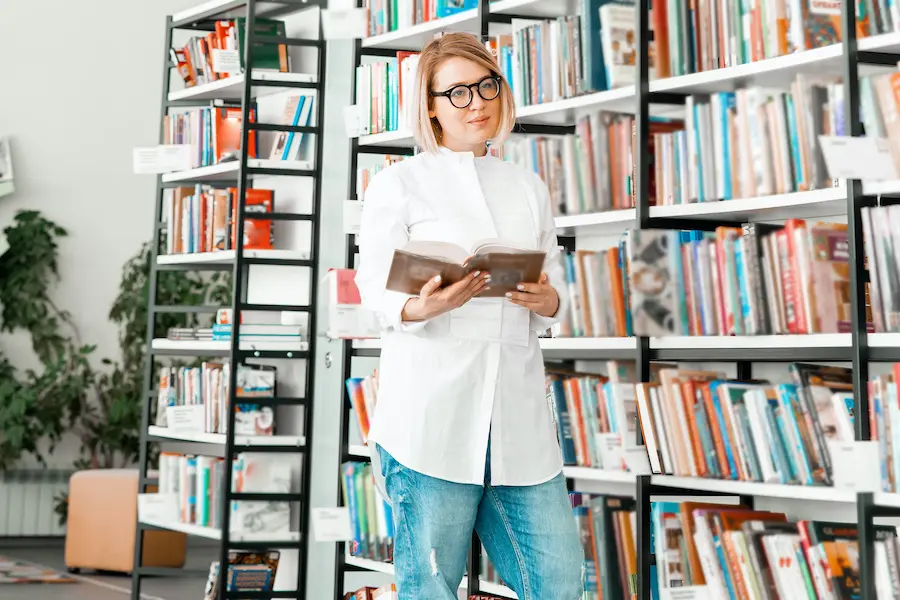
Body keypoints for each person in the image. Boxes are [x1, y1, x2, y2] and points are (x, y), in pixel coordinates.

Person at [354, 32, 584, 600]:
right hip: (429, 421)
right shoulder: (397, 184)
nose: (475, 102)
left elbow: (553, 291)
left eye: (485, 86)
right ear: (430, 105)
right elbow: (371, 286)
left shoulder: (529, 188)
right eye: (456, 92)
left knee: (558, 581)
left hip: (518, 424)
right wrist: (417, 305)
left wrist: (549, 303)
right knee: (431, 586)